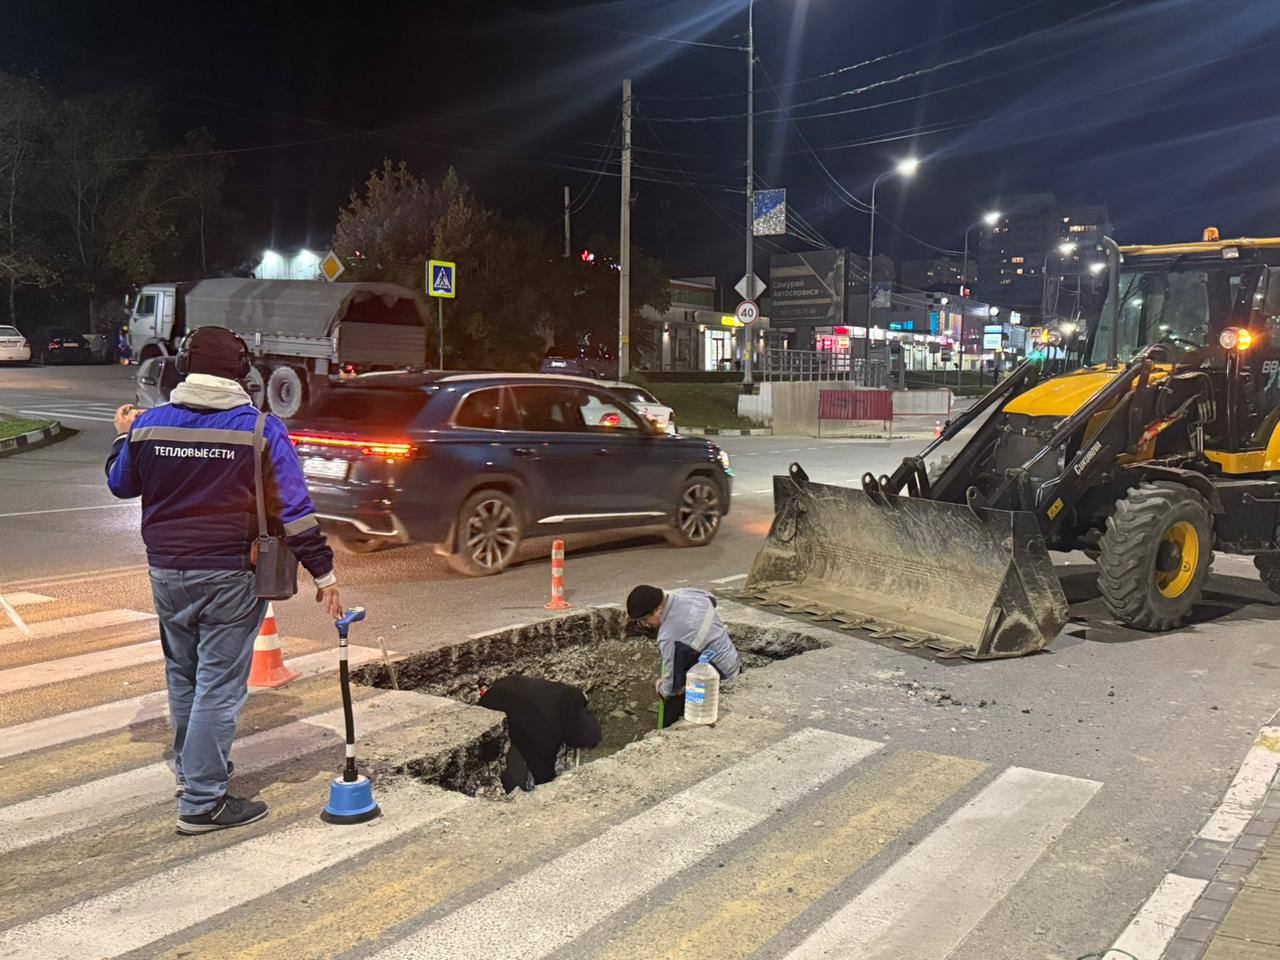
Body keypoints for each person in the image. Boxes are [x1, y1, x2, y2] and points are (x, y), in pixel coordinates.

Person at [106, 326, 341, 835]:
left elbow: (121, 484)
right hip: (232, 575)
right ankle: (202, 800)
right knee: (218, 684)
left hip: (167, 572)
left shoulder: (149, 426)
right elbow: (296, 512)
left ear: (183, 366)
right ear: (242, 372)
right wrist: (324, 573)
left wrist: (124, 435)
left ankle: (194, 773)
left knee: (183, 676)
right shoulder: (259, 430)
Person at [478, 675, 602, 792]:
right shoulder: (546, 734)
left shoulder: (576, 696)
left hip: (511, 682)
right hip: (495, 702)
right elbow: (543, 773)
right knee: (511, 761)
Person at [626, 585, 741, 707]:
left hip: (722, 677)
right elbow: (712, 600)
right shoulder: (689, 593)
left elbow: (672, 686)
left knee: (676, 692)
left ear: (658, 610)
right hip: (731, 659)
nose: (645, 624)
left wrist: (661, 689)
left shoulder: (669, 635)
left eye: (645, 619)